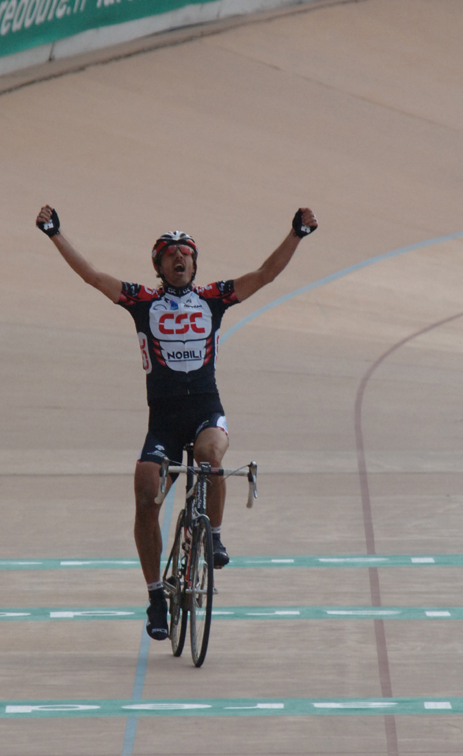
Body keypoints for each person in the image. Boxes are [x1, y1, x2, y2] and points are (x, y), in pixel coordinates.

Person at [36, 205, 318, 640]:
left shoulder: (214, 297)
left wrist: (296, 233)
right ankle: (154, 598)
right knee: (146, 494)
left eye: (186, 252)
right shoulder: (140, 301)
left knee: (210, 456)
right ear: (159, 265)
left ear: (195, 263)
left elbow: (264, 275)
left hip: (206, 410)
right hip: (164, 421)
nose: (179, 258)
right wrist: (55, 233)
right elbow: (91, 275)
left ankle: (217, 537)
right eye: (170, 254)